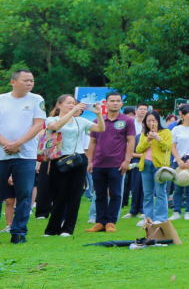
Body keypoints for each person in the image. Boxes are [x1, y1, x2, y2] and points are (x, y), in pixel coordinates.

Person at [42, 95, 103, 237]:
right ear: (59, 105)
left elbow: (100, 128)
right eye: (68, 103)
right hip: (59, 158)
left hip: (78, 159)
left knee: (74, 195)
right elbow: (55, 127)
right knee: (58, 194)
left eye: (73, 103)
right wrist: (73, 111)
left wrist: (99, 114)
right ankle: (52, 229)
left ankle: (67, 229)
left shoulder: (80, 121)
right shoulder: (52, 119)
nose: (71, 105)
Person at [0, 70, 46, 244]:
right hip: (1, 154)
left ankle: (18, 232)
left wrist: (18, 143)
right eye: (25, 80)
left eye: (32, 80)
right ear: (13, 82)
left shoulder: (36, 99)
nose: (29, 83)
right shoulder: (1, 99)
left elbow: (39, 124)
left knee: (25, 193)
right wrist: (6, 144)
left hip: (25, 155)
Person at [84, 91, 135, 233]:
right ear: (106, 103)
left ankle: (111, 222)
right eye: (112, 101)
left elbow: (131, 141)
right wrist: (90, 161)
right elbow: (93, 142)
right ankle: (100, 222)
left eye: (118, 101)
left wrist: (127, 160)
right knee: (99, 194)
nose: (115, 103)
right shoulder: (97, 121)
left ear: (122, 103)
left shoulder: (127, 121)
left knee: (115, 194)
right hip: (99, 163)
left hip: (117, 164)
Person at [136, 111, 173, 224]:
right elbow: (138, 150)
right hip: (146, 165)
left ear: (158, 121)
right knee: (147, 193)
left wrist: (158, 138)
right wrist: (148, 140)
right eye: (148, 121)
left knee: (160, 192)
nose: (151, 123)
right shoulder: (144, 134)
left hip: (159, 166)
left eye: (153, 120)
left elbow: (168, 147)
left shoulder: (165, 132)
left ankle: (160, 217)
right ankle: (148, 217)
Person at [168, 105, 189, 221]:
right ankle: (176, 211)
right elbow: (172, 145)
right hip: (179, 161)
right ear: (183, 115)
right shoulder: (176, 129)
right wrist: (178, 159)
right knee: (177, 187)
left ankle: (188, 211)